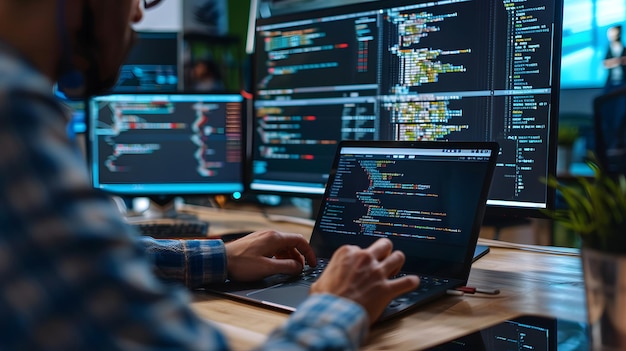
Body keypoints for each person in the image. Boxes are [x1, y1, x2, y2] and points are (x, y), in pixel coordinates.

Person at [0, 0, 420, 350]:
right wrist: (339, 304)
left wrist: (221, 256)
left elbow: (73, 259)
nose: (138, 16)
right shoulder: (14, 117)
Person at [603, 25, 626, 93]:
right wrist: (619, 61)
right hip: (610, 82)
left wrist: (614, 62)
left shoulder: (624, 49)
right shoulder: (608, 49)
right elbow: (605, 64)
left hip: (623, 82)